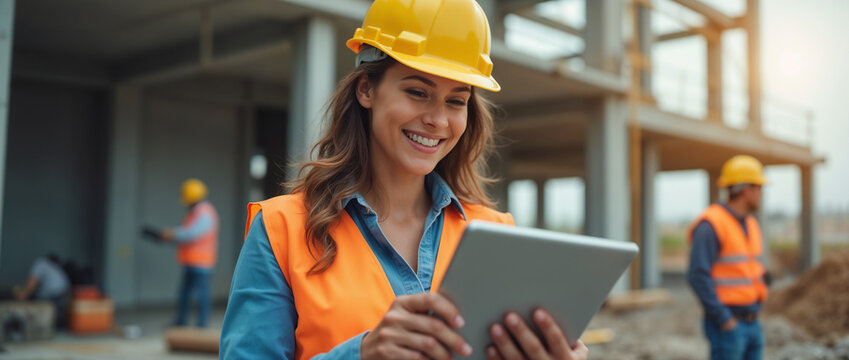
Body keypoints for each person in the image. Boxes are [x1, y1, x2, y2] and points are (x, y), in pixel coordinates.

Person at [220, 0, 589, 359]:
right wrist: (360, 355)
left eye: (456, 101)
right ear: (367, 89)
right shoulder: (283, 230)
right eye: (417, 92)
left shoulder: (496, 232)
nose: (438, 120)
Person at [687, 155, 769, 360]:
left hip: (753, 321)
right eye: (759, 188)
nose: (761, 194)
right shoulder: (711, 224)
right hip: (728, 324)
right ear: (747, 190)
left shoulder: (750, 223)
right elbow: (697, 275)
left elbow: (750, 267)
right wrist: (724, 319)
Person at [159, 178, 219, 328]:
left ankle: (201, 324)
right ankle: (181, 321)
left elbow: (193, 233)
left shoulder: (204, 212)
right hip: (191, 260)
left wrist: (173, 234)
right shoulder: (196, 212)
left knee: (201, 295)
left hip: (201, 262)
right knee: (185, 294)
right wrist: (174, 237)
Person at [14, 253, 71, 328]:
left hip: (55, 294)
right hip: (63, 292)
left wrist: (23, 294)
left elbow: (33, 281)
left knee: (46, 317)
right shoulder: (52, 266)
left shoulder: (40, 263)